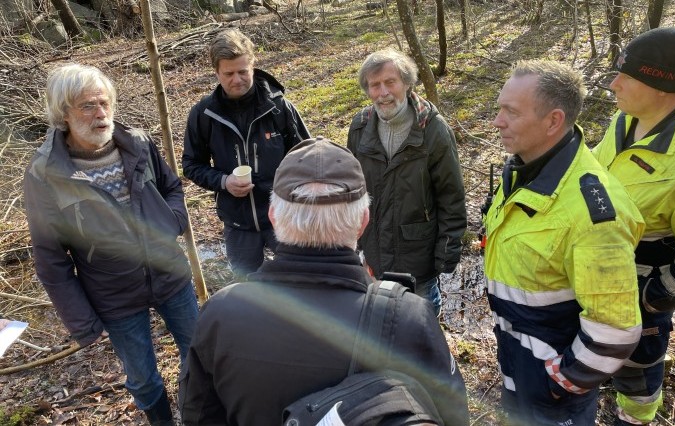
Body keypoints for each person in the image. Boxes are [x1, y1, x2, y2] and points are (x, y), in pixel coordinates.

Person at [179, 137, 469, 425]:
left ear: (273, 217)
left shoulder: (220, 314)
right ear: (363, 221)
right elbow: (453, 417)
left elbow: (198, 416)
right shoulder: (409, 319)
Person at [23, 64, 198, 426]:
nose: (100, 113)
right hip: (115, 296)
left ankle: (201, 413)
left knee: (199, 355)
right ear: (63, 114)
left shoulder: (138, 143)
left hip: (170, 274)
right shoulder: (45, 175)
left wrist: (172, 223)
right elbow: (50, 260)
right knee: (144, 379)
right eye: (87, 105)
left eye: (104, 102)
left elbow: (172, 188)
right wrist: (83, 322)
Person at [482, 59, 645, 425]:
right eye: (499, 109)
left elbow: (615, 330)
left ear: (553, 121)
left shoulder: (592, 214)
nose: (497, 122)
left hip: (551, 385)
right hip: (517, 355)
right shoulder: (524, 168)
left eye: (510, 112)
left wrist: (562, 381)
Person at [592, 27, 675, 426]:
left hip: (641, 291)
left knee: (639, 367)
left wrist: (650, 300)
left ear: (663, 85)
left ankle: (636, 416)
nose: (613, 84)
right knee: (598, 347)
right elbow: (595, 167)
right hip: (598, 273)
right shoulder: (625, 119)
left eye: (627, 76)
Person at [182, 28, 311, 279]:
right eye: (229, 74)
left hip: (283, 218)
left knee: (299, 283)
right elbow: (191, 164)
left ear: (253, 65)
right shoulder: (204, 114)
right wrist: (223, 181)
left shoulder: (278, 107)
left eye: (243, 71)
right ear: (217, 72)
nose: (237, 80)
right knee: (246, 291)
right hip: (237, 223)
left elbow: (307, 155)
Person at [347, 48, 467, 316]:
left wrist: (447, 251)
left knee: (421, 323)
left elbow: (451, 196)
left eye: (390, 82)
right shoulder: (359, 126)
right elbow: (353, 189)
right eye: (374, 85)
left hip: (418, 256)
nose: (383, 92)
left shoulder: (433, 130)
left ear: (407, 83)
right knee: (382, 320)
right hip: (375, 250)